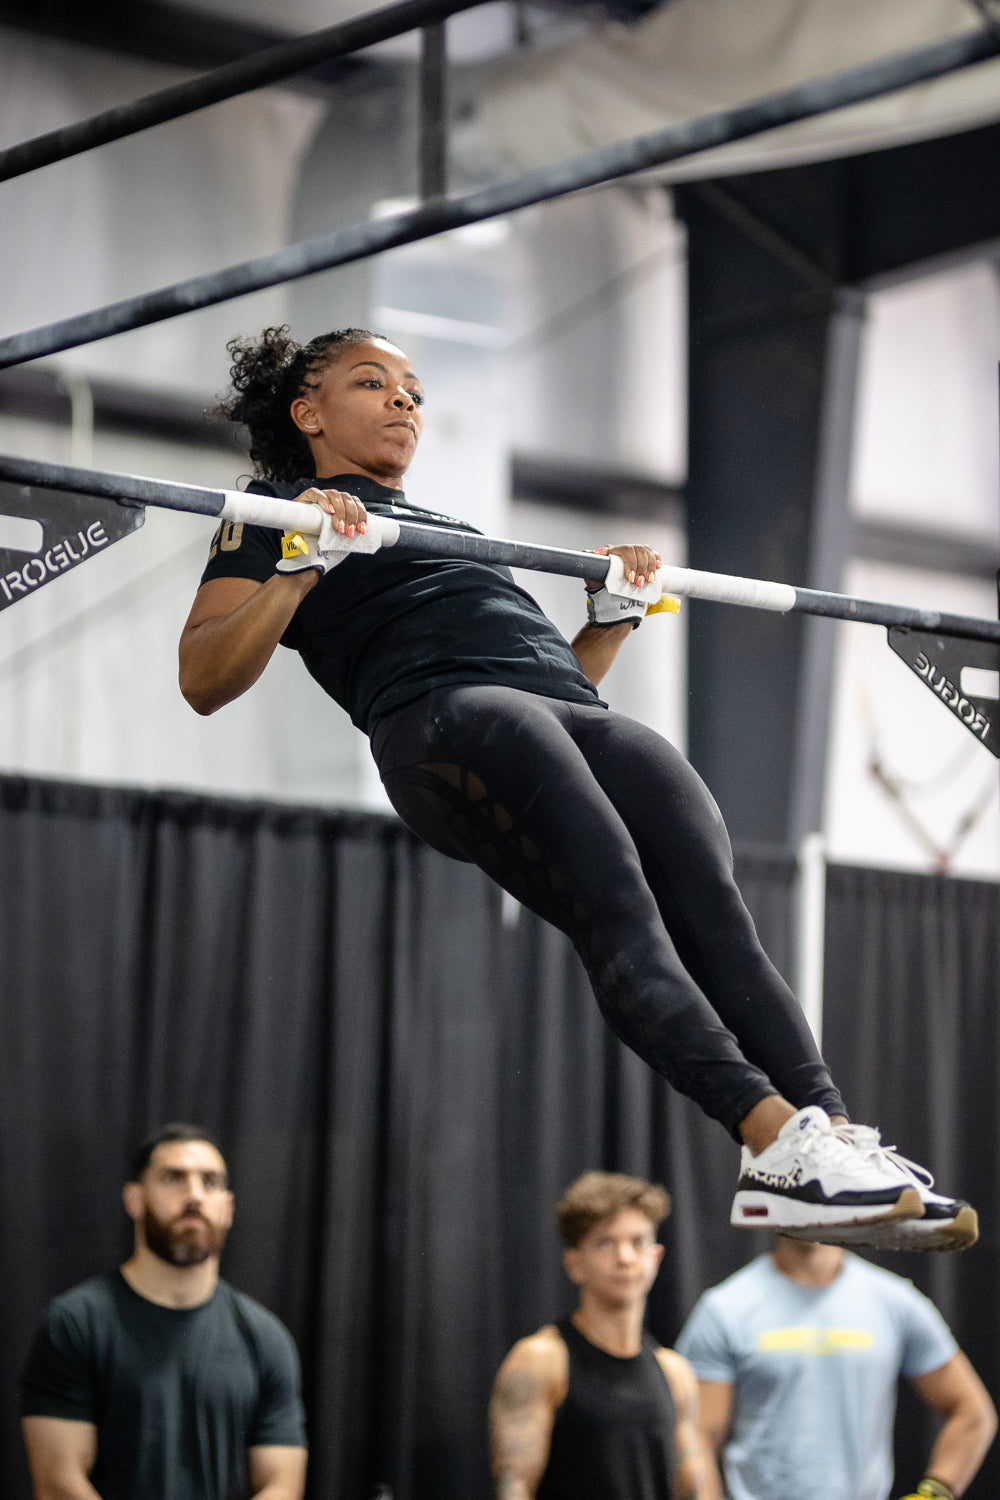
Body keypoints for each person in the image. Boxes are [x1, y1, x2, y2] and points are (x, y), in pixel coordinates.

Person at [177, 323, 974, 1251]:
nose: (405, 402)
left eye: (416, 391)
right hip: (444, 721)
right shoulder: (272, 510)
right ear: (307, 411)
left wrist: (611, 619)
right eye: (373, 383)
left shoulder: (459, 532)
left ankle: (829, 1136)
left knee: (711, 900)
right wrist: (299, 566)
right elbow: (204, 678)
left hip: (550, 712)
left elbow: (559, 688)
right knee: (620, 904)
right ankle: (767, 1139)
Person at [20, 1123, 307, 1500]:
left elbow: (281, 1485)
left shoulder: (265, 1336)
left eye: (210, 1182)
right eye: (174, 1178)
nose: (194, 1195)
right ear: (134, 1199)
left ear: (228, 1209)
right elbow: (58, 1484)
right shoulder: (74, 1323)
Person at [675, 1234, 996, 1500]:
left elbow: (974, 1412)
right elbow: (696, 1437)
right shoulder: (725, 1308)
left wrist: (935, 1494)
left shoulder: (894, 1300)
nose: (809, 1201)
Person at [489, 1170, 709, 1498]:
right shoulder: (543, 1360)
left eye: (638, 1242)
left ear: (656, 1257)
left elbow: (693, 1489)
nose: (625, 1258)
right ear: (575, 1263)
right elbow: (515, 1487)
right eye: (606, 1243)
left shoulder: (675, 1373)